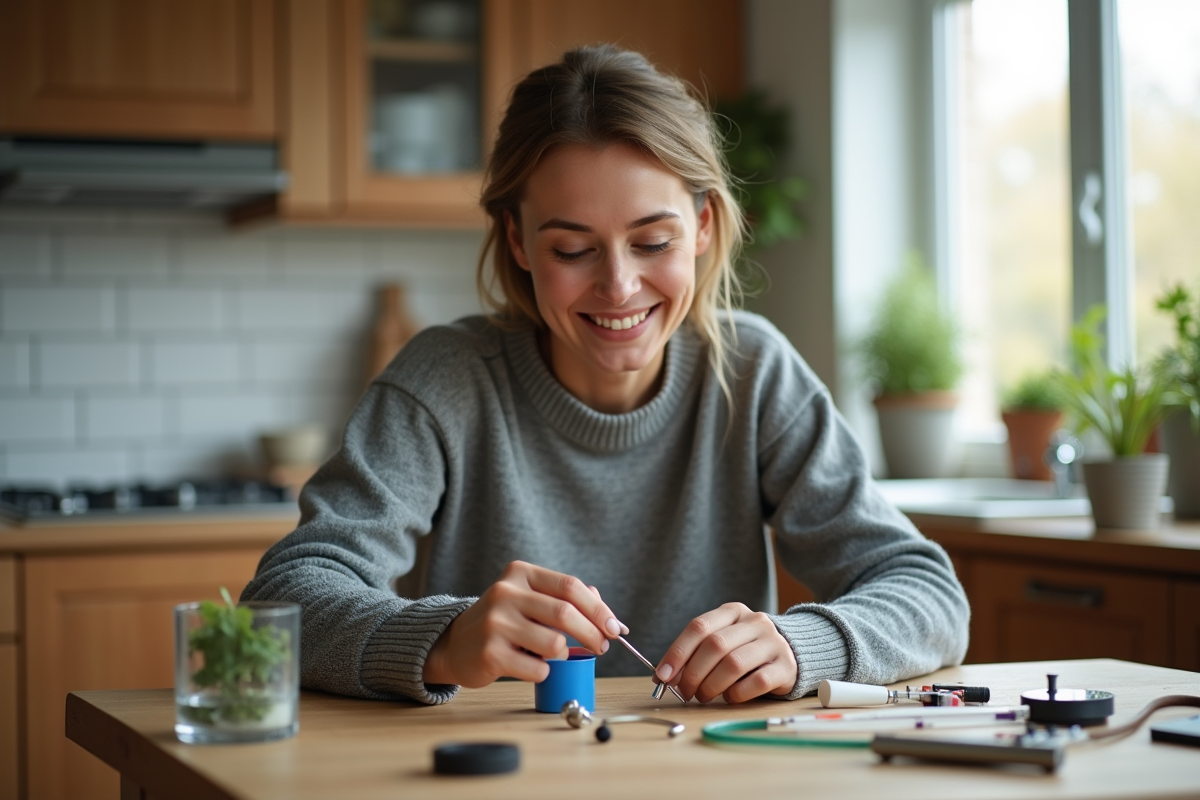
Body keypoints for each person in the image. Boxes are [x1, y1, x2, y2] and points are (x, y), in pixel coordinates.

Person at [242, 45, 969, 706]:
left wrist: (801, 644)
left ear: (705, 226)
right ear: (518, 241)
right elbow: (284, 599)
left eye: (652, 241)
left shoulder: (754, 373)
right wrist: (446, 638)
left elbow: (930, 595)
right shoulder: (445, 381)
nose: (619, 288)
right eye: (572, 250)